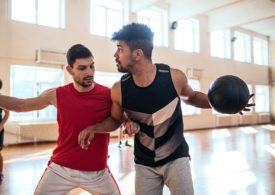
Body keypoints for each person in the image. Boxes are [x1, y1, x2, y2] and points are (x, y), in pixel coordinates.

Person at [78, 23, 254, 195]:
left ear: (137, 53)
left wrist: (225, 103)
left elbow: (192, 98)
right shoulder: (119, 89)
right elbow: (115, 120)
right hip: (144, 163)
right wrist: (95, 128)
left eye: (120, 49)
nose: (115, 55)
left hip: (176, 158)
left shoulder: (173, 77)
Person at [0, 44, 123, 194]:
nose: (90, 72)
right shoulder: (56, 95)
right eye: (82, 68)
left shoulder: (108, 94)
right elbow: (21, 105)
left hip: (97, 172)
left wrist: (130, 122)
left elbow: (118, 120)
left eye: (92, 66)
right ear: (70, 70)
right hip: (61, 169)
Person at [0, 79, 9, 184]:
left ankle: (0, 173)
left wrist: (1, 124)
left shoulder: (1, 99)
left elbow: (7, 113)